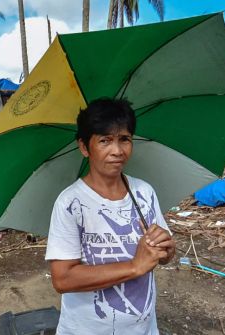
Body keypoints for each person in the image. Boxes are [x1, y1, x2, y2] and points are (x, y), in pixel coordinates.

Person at [45, 98, 176, 334]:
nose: (117, 151)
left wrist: (166, 247)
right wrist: (134, 266)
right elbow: (62, 279)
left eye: (124, 139)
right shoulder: (70, 203)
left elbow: (165, 256)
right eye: (105, 140)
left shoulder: (144, 193)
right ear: (84, 147)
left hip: (144, 329)